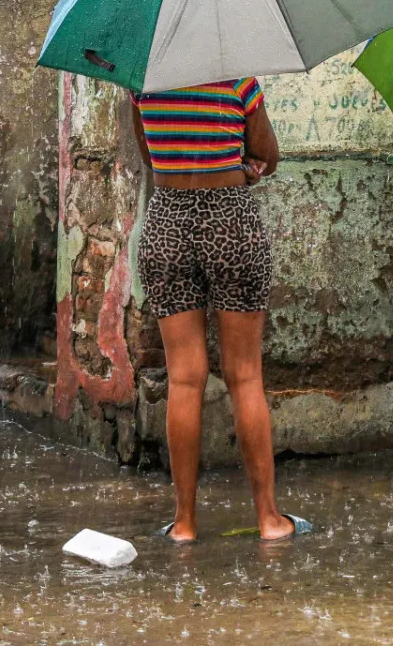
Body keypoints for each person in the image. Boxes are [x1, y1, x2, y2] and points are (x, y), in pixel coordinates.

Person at [131, 77, 306, 543]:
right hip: (230, 216)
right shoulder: (238, 81)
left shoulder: (144, 81)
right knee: (245, 375)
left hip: (167, 221)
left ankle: (185, 523)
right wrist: (245, 167)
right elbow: (268, 154)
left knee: (184, 378)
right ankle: (269, 519)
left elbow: (149, 154)